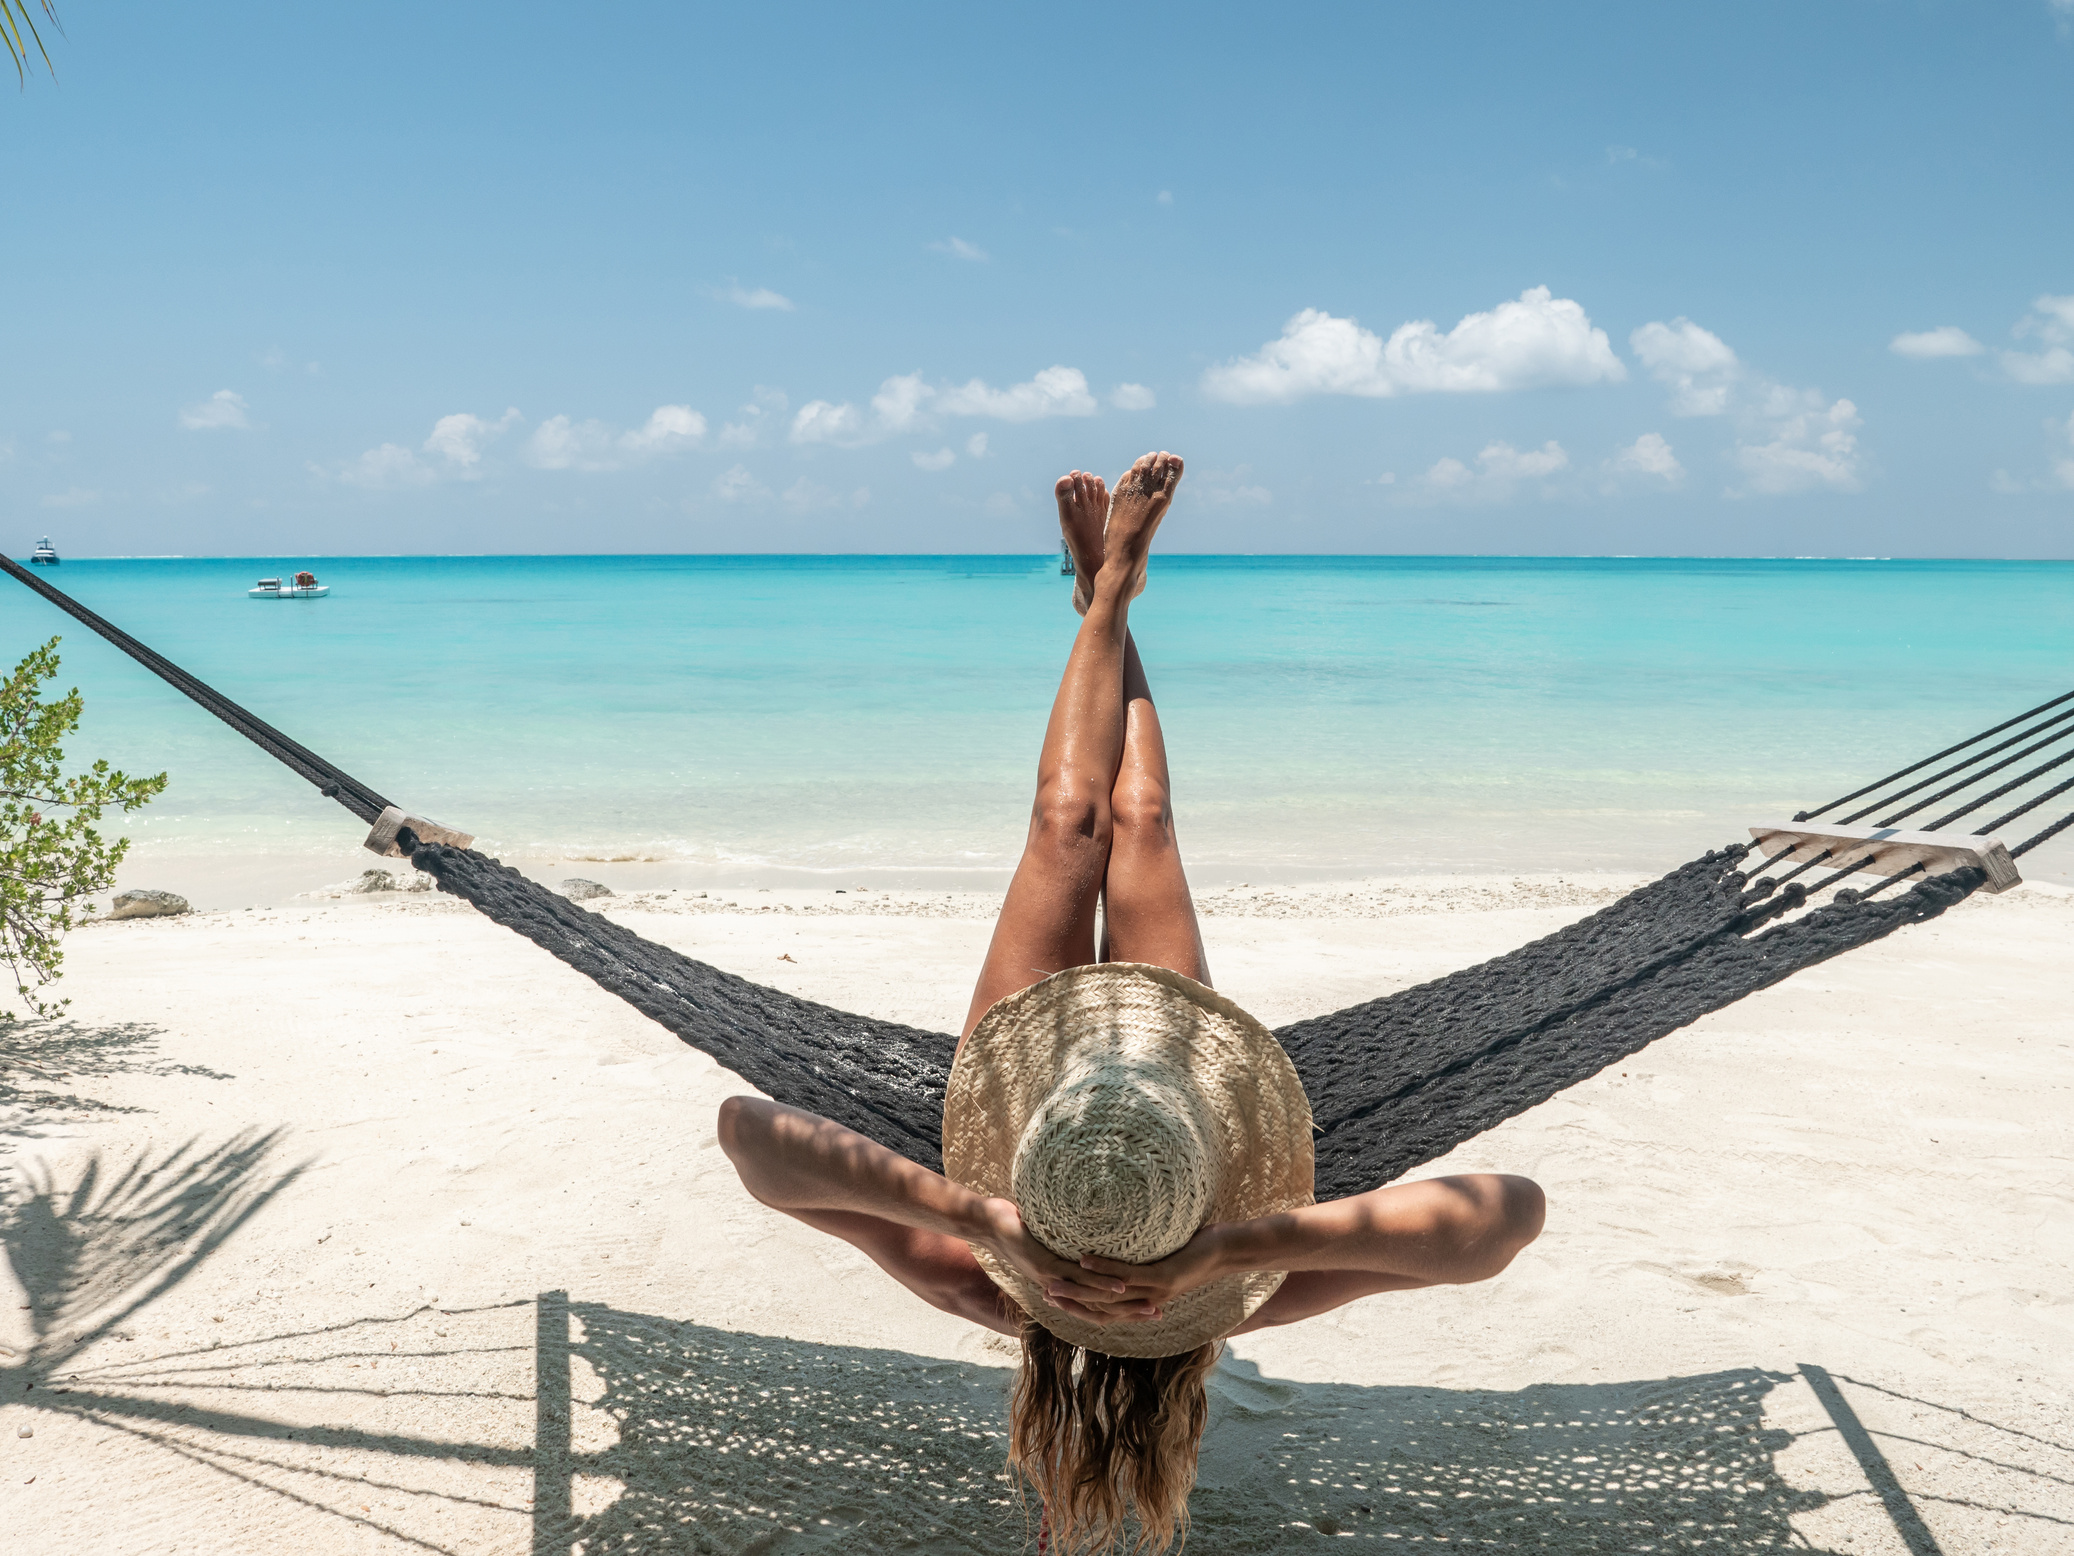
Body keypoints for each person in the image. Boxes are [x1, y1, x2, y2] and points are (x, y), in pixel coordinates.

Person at [718, 452, 1546, 1554]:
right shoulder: (1248, 1286)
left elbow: (749, 1136)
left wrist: (984, 1215)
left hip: (1031, 1100)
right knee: (1142, 819)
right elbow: (1504, 1217)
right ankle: (1106, 589)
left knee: (1071, 824)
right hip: (1168, 1093)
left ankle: (1103, 591)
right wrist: (1219, 1249)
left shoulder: (977, 1280)